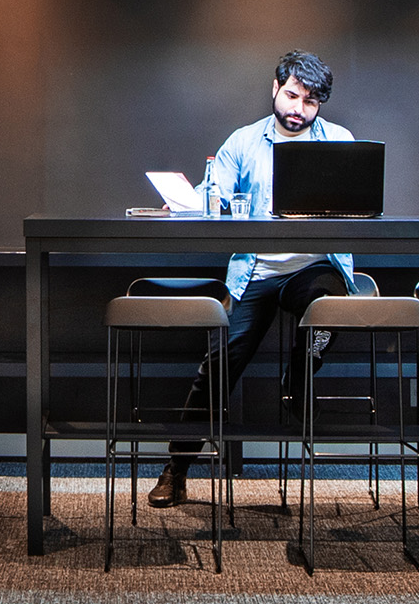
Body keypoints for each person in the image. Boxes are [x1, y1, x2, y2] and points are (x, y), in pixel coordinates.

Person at [148, 49, 358, 508]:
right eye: (292, 96)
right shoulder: (243, 142)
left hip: (312, 268)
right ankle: (177, 469)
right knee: (217, 367)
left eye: (309, 102)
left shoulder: (339, 139)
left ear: (319, 104)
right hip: (256, 273)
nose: (298, 109)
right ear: (275, 88)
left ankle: (300, 379)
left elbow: (357, 202)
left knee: (332, 303)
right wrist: (185, 203)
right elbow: (213, 194)